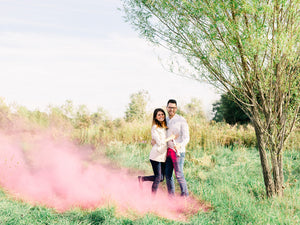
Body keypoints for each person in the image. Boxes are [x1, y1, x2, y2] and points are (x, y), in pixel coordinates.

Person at [138, 108, 175, 194]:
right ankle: (153, 199)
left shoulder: (165, 127)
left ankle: (142, 179)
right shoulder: (155, 128)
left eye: (162, 114)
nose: (161, 116)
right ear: (155, 117)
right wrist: (170, 138)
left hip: (163, 156)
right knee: (158, 177)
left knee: (161, 178)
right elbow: (159, 142)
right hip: (156, 155)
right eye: (159, 115)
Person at [165, 99, 190, 197]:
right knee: (168, 175)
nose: (171, 109)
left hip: (178, 152)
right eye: (170, 107)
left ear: (176, 108)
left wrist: (180, 145)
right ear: (167, 108)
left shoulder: (181, 120)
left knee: (179, 174)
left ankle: (185, 197)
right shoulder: (165, 120)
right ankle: (171, 198)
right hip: (168, 152)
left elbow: (186, 137)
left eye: (173, 108)